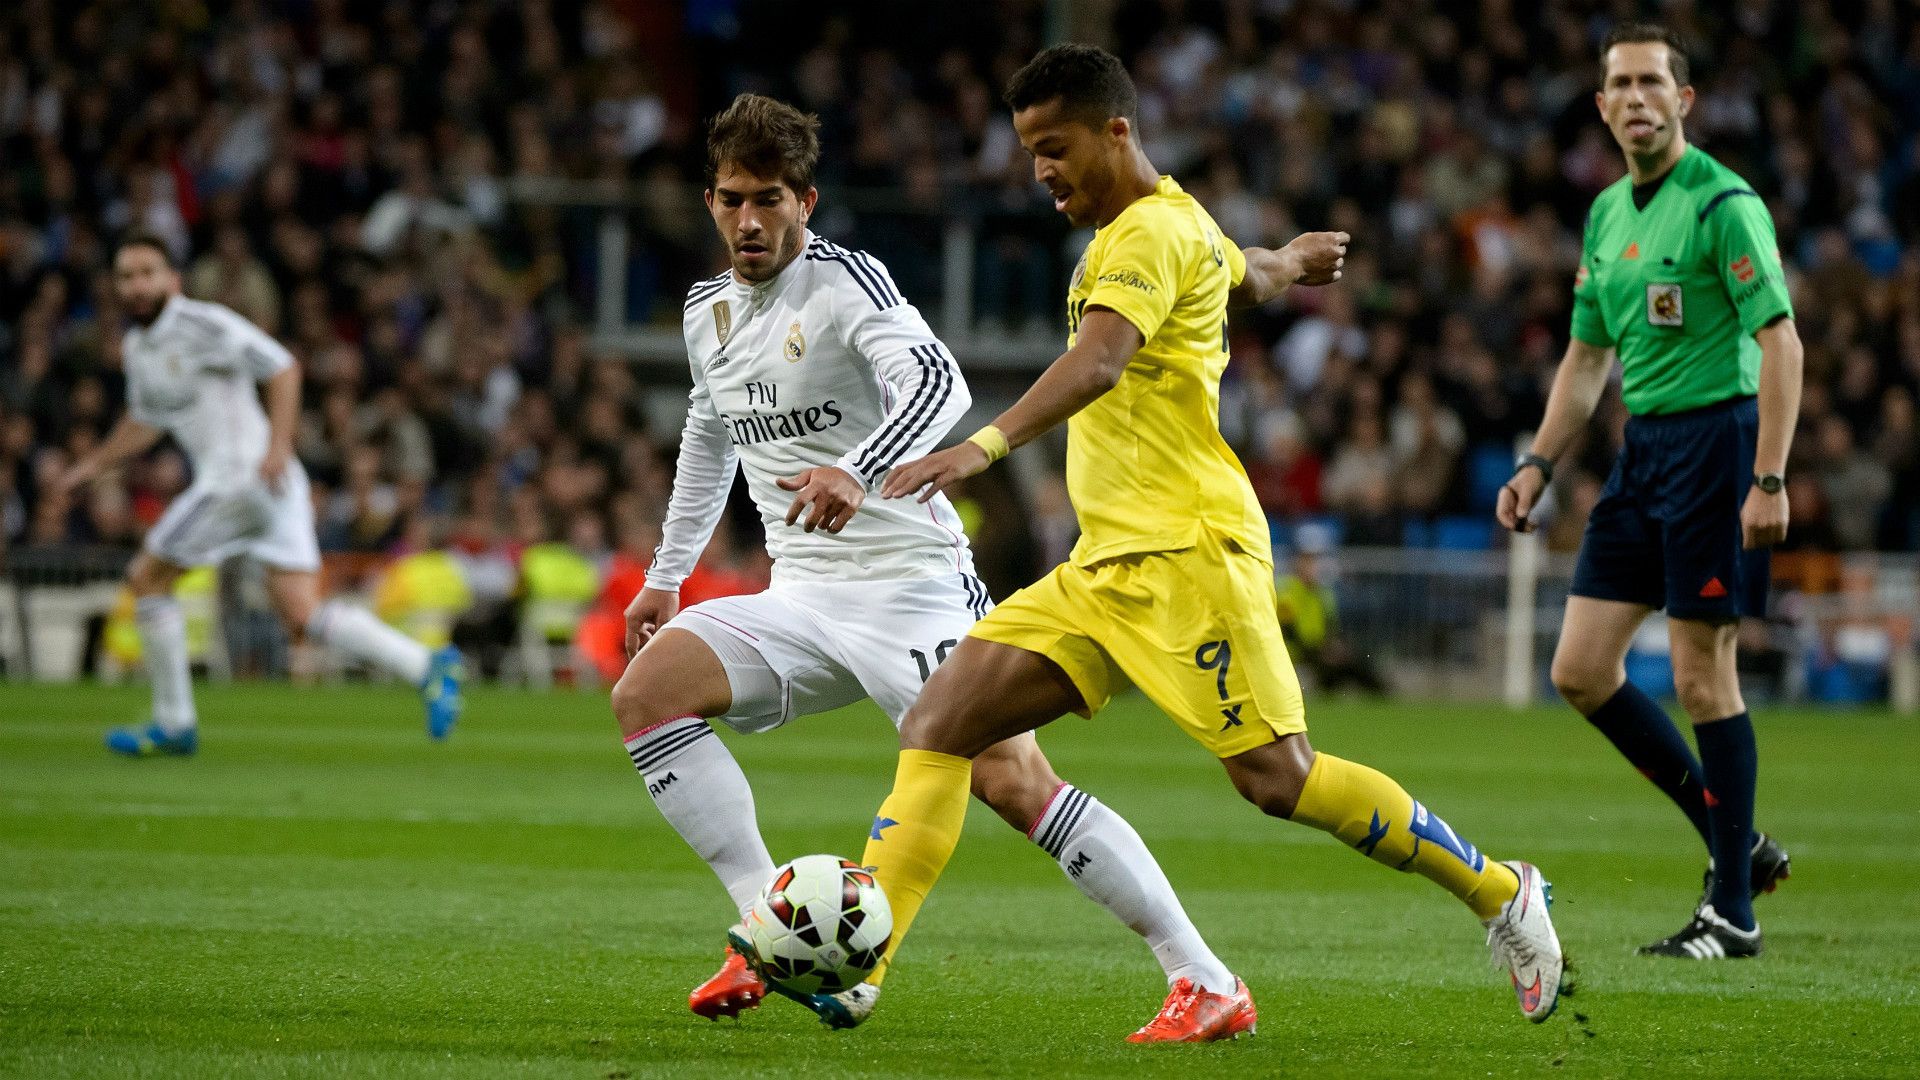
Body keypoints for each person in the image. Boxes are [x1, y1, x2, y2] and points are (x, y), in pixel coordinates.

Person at [776, 44, 1563, 1041]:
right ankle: (862, 965)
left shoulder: (1148, 234)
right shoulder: (1176, 223)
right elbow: (1248, 273)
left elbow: (1100, 363)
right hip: (1102, 566)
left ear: (1116, 132)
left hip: (1189, 555)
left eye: (1055, 147)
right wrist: (1293, 261)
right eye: (1030, 152)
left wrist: (980, 447)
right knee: (940, 724)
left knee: (1279, 780)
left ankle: (1502, 891)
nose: (1041, 171)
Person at [613, 94, 1236, 1035]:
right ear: (710, 202)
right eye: (733, 200)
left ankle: (1203, 975)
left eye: (770, 200)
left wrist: (858, 471)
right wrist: (666, 574)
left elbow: (940, 382)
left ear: (805, 202)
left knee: (1014, 782)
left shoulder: (845, 283)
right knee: (646, 696)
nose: (750, 221)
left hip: (912, 588)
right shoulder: (708, 312)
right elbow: (708, 437)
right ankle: (768, 929)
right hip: (801, 595)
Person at [1497, 24, 1801, 959]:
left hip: (1719, 443)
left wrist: (1769, 478)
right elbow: (1588, 359)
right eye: (1620, 85)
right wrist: (1539, 463)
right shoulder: (1605, 216)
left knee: (1704, 675)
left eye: (1652, 83)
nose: (1636, 98)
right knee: (1581, 670)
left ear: (1684, 99)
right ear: (1602, 107)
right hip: (1646, 448)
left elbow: (1782, 342)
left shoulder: (1723, 205)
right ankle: (1735, 840)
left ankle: (1733, 911)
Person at [52, 233, 465, 756]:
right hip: (271, 484)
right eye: (126, 276)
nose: (136, 285)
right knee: (302, 611)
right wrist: (92, 465)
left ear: (173, 279)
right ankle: (426, 665)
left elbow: (283, 367)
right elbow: (147, 420)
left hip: (243, 479)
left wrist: (278, 445)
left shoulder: (203, 324)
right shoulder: (139, 347)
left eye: (147, 273)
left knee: (147, 579)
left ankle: (174, 723)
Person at [1276, 526, 1388, 696]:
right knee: (1336, 665)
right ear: (1297, 561)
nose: (1313, 566)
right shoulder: (1286, 591)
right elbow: (1289, 634)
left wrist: (1335, 646)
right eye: (1308, 560)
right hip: (1298, 654)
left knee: (1355, 659)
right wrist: (1322, 650)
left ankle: (1383, 694)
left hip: (1319, 650)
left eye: (1315, 560)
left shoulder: (1323, 593)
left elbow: (1331, 628)